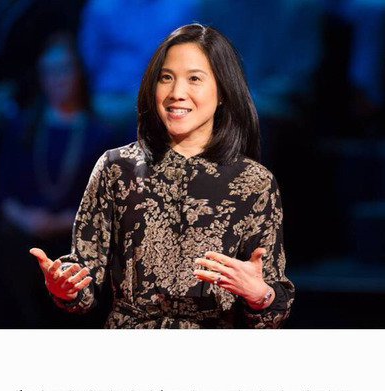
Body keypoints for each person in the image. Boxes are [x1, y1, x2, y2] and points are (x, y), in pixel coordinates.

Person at [31, 24, 295, 329]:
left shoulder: (254, 181)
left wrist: (260, 295)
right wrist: (67, 287)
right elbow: (85, 276)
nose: (176, 93)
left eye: (194, 79)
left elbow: (272, 305)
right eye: (166, 78)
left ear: (223, 91)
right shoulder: (117, 168)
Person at [0, 32, 112, 327]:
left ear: (79, 73)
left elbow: (107, 205)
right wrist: (27, 219)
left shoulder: (100, 134)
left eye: (64, 69)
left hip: (74, 237)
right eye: (50, 71)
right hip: (24, 234)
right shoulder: (23, 128)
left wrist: (62, 221)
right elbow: (3, 192)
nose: (58, 79)